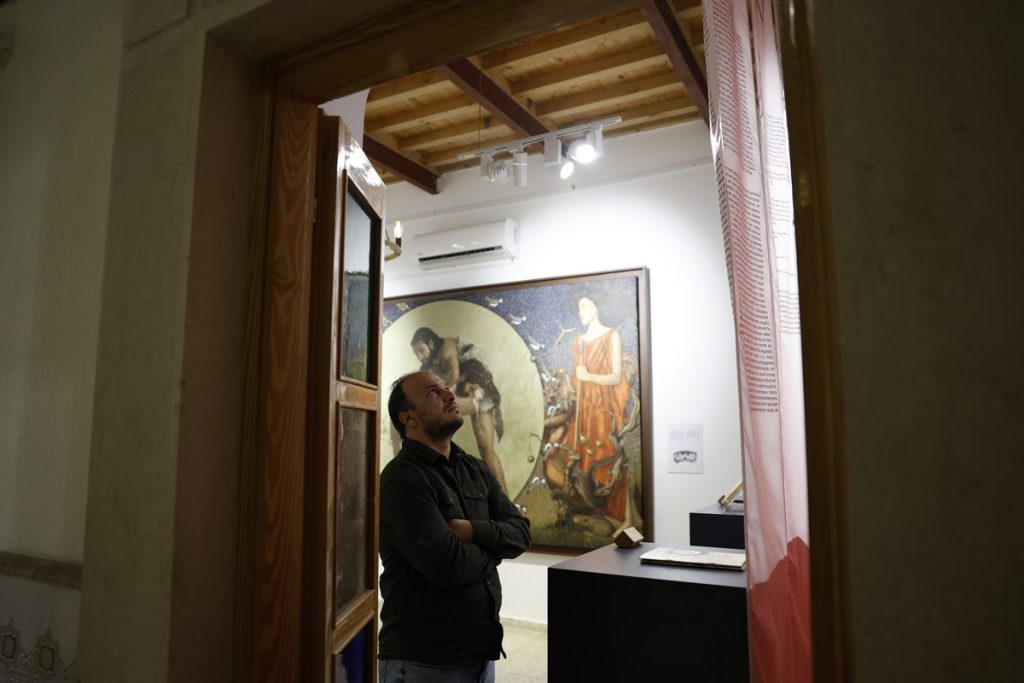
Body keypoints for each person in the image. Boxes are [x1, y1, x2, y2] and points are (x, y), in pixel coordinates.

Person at [379, 371, 531, 683]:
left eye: (447, 388)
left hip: (481, 653)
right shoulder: (401, 480)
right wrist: (495, 552)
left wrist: (474, 532)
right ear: (408, 418)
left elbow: (521, 533)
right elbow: (448, 567)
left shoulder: (474, 468)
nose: (450, 395)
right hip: (424, 663)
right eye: (433, 392)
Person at [544, 292, 635, 538]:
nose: (580, 311)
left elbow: (616, 377)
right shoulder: (578, 342)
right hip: (582, 411)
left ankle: (625, 519)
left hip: (602, 410)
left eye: (584, 306)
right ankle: (587, 511)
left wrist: (589, 377)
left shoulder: (611, 336)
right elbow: (576, 380)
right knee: (576, 460)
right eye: (579, 307)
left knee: (608, 459)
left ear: (596, 307)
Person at [410, 327, 509, 493]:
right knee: (485, 450)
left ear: (431, 343)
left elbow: (454, 376)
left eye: (421, 351)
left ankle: (505, 501)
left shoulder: (446, 350)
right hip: (477, 394)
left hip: (480, 393)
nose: (420, 356)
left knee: (486, 450)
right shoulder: (433, 360)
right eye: (416, 354)